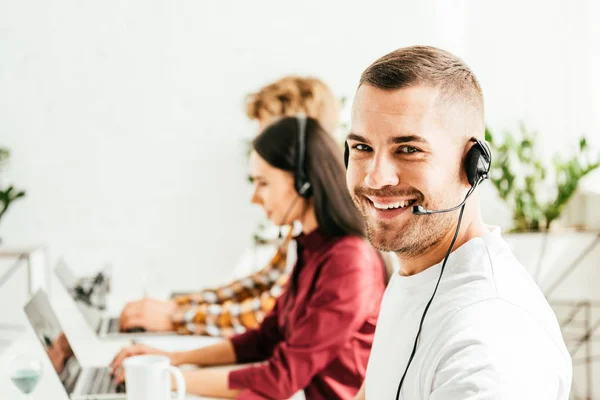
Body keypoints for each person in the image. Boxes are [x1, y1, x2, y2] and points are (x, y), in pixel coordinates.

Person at [345, 46, 572, 399]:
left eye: (408, 149)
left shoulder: (490, 348)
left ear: (473, 165)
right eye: (362, 148)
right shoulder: (418, 273)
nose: (376, 178)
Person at [111, 116, 387, 399]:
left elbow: (281, 377)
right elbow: (263, 338)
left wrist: (169, 379)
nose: (254, 197)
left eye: (263, 183)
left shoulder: (349, 264)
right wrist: (173, 359)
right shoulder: (311, 248)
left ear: (304, 182)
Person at [118, 76, 343, 337]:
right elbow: (256, 287)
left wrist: (175, 317)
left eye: (270, 140)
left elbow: (267, 314)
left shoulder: (335, 237)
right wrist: (173, 307)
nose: (260, 152)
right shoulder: (301, 227)